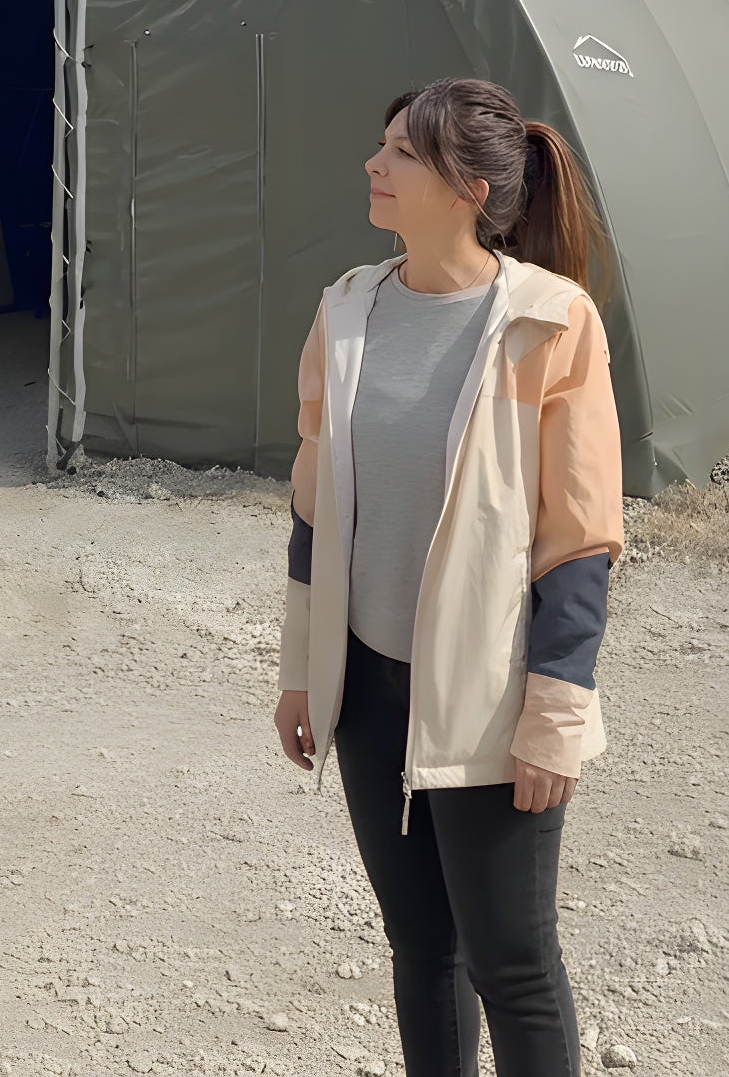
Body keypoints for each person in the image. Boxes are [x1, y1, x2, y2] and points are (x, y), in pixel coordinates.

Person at [273, 77, 623, 1077]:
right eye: (381, 144)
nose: (373, 164)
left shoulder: (550, 320)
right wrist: (302, 673)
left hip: (490, 699)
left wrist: (554, 714)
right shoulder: (345, 309)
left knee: (512, 964)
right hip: (368, 691)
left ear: (470, 188)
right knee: (420, 948)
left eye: (401, 152)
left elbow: (578, 538)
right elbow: (312, 507)